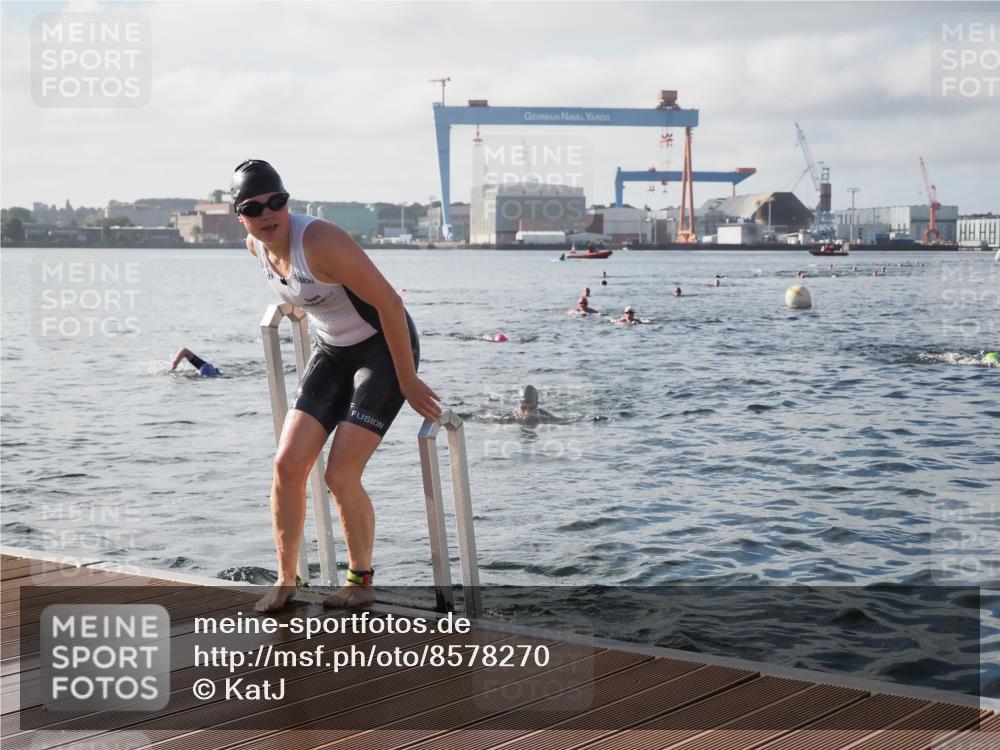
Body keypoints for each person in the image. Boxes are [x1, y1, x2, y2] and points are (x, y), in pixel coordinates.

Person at [231, 160, 442, 613]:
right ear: (240, 216)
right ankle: (287, 580)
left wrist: (406, 379)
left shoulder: (321, 241)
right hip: (332, 352)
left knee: (339, 474)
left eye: (277, 202)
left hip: (383, 349)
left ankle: (360, 580)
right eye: (254, 208)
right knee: (287, 467)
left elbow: (389, 302)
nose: (268, 214)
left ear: (288, 202)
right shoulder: (256, 247)